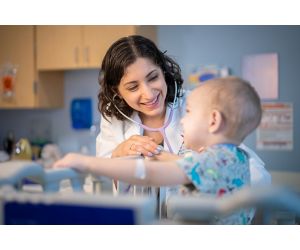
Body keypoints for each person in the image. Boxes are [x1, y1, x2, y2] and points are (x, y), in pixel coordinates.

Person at [54, 76, 262, 224]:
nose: (182, 119)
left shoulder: (210, 162)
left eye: (188, 112)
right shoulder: (235, 157)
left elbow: (149, 175)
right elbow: (181, 163)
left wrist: (87, 163)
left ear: (214, 121)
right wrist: (158, 153)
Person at [95, 35, 270, 189]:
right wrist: (118, 154)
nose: (148, 94)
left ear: (164, 72)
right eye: (133, 87)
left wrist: (206, 165)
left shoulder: (196, 105)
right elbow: (99, 184)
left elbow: (255, 175)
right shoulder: (113, 117)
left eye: (153, 77)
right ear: (117, 91)